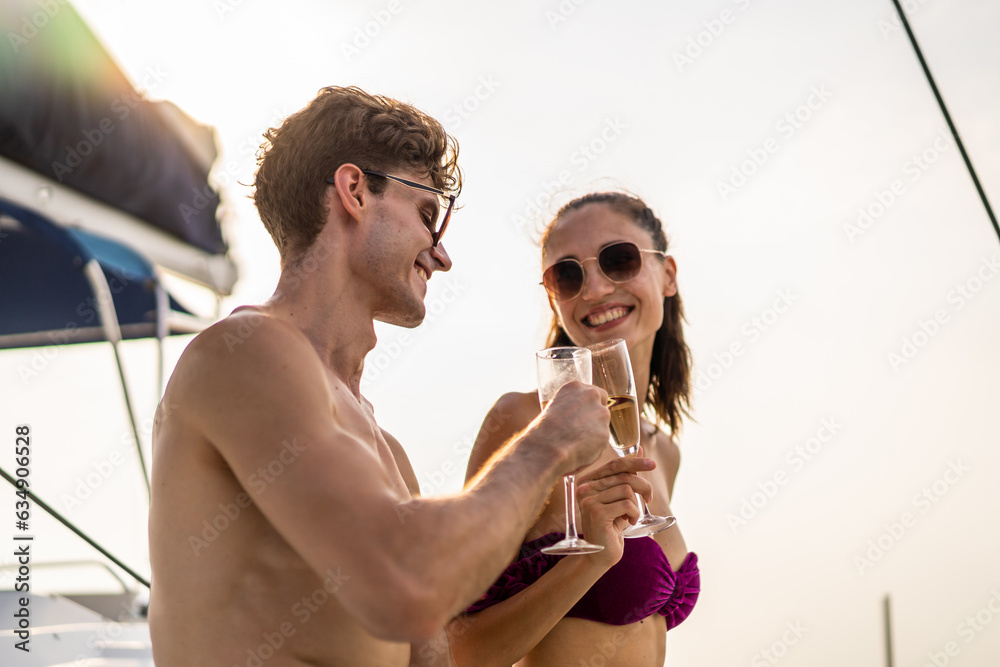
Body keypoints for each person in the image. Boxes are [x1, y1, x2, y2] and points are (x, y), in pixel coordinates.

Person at [146, 87, 653, 667]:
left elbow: (441, 658)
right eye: (427, 216)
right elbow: (401, 585)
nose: (441, 256)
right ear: (355, 192)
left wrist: (592, 554)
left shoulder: (382, 445)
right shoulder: (243, 351)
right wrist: (549, 443)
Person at [448, 192, 700, 666]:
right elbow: (460, 650)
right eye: (567, 275)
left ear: (667, 275)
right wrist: (589, 560)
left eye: (619, 260)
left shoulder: (663, 451)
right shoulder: (524, 423)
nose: (594, 290)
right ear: (553, 298)